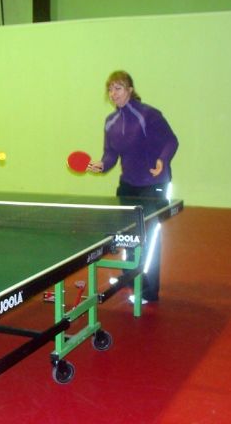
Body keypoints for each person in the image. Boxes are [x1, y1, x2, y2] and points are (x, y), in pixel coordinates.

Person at [88, 70, 178, 303]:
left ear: (129, 89)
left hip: (153, 184)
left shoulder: (148, 114)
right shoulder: (111, 122)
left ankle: (148, 290)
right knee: (128, 235)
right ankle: (131, 278)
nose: (113, 93)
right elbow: (110, 154)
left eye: (118, 88)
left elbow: (171, 141)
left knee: (148, 237)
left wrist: (162, 160)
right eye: (110, 89)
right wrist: (102, 164)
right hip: (128, 184)